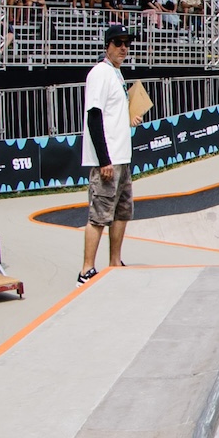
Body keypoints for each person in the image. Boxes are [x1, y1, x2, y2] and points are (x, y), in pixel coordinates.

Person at [79, 25, 134, 284]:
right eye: (118, 43)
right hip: (108, 160)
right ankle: (86, 270)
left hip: (123, 158)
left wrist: (129, 117)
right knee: (99, 215)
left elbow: (113, 113)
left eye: (127, 43)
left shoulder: (117, 74)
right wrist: (104, 160)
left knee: (122, 212)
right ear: (107, 46)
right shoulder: (100, 73)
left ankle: (114, 261)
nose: (124, 48)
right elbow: (94, 116)